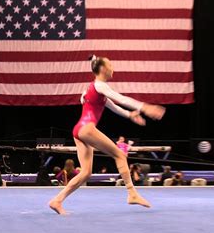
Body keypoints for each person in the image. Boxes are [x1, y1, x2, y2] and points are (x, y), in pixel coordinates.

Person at [49, 55, 165, 214]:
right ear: (102, 69)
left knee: (85, 173)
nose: (113, 68)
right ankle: (132, 193)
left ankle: (57, 201)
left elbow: (114, 107)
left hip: (79, 130)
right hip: (86, 129)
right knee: (120, 155)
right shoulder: (99, 85)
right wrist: (145, 107)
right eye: (110, 65)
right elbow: (120, 98)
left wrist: (130, 115)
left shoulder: (96, 88)